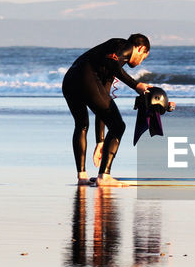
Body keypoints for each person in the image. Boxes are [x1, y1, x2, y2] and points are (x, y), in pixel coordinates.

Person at [62, 33, 153, 186]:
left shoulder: (107, 61)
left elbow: (103, 103)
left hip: (70, 79)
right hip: (86, 77)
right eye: (143, 57)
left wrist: (101, 141)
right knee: (118, 126)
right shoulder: (124, 46)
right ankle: (104, 176)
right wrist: (136, 85)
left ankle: (82, 176)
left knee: (82, 125)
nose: (140, 62)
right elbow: (113, 64)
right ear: (141, 48)